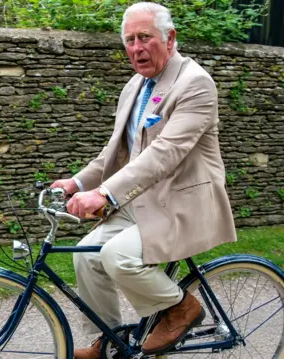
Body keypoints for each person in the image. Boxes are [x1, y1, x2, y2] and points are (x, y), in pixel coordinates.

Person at [50, 2, 237, 358]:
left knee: (117, 256)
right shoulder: (136, 85)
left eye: (145, 37)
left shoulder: (195, 84)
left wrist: (104, 193)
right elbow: (115, 154)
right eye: (129, 40)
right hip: (143, 201)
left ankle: (182, 308)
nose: (136, 48)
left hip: (184, 203)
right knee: (85, 257)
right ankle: (104, 341)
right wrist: (76, 182)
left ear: (170, 38)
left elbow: (163, 153)